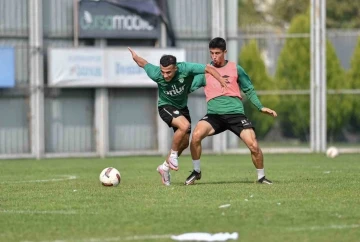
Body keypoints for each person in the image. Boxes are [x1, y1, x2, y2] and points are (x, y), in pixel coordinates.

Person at [128, 47, 228, 186]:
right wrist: (135, 55)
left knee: (185, 143)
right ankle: (173, 156)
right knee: (185, 126)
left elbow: (209, 69)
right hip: (166, 107)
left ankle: (164, 168)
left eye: (168, 72)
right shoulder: (156, 73)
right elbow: (143, 63)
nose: (165, 75)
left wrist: (221, 81)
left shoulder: (185, 68)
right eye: (163, 72)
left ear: (175, 68)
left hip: (182, 109)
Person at [184, 37, 277, 185]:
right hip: (214, 116)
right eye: (212, 53)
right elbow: (187, 89)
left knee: (253, 145)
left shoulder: (236, 69)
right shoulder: (206, 72)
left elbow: (249, 90)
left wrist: (260, 107)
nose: (214, 56)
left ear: (225, 52)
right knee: (195, 136)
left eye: (217, 53)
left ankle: (261, 177)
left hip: (236, 115)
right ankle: (196, 171)